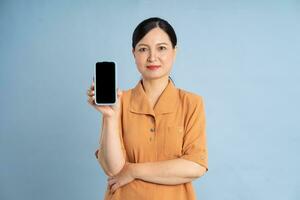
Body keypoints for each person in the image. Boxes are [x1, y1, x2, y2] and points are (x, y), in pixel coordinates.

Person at [87, 17, 208, 200]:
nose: (152, 57)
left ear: (174, 52)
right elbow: (113, 169)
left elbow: (195, 166)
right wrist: (110, 117)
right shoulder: (119, 101)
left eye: (162, 48)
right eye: (143, 49)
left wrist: (133, 171)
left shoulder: (191, 103)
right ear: (133, 53)